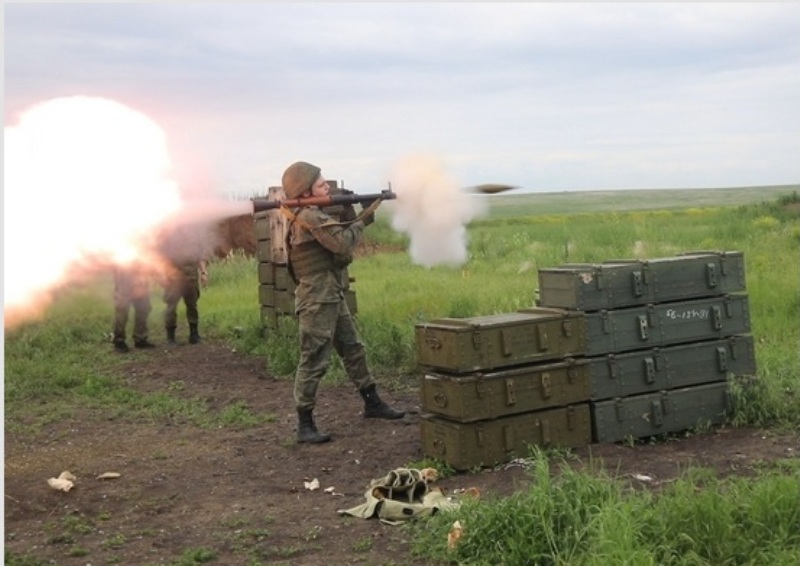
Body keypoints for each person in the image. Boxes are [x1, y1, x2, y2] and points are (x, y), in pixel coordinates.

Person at [281, 160, 405, 444]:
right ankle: (305, 423)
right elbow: (343, 244)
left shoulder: (310, 214)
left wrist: (353, 212)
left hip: (329, 292)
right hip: (316, 297)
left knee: (353, 348)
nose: (327, 187)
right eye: (321, 183)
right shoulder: (309, 217)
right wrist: (363, 217)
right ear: (305, 190)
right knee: (313, 358)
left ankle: (372, 402)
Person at [158, 224, 210, 345]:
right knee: (171, 306)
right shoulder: (168, 235)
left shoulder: (194, 236)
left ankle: (194, 334)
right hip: (172, 276)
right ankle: (170, 337)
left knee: (192, 304)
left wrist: (203, 272)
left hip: (190, 274)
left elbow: (200, 256)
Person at [112, 261, 155, 352]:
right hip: (125, 285)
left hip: (141, 284)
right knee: (122, 313)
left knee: (143, 309)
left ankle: (140, 338)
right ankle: (119, 341)